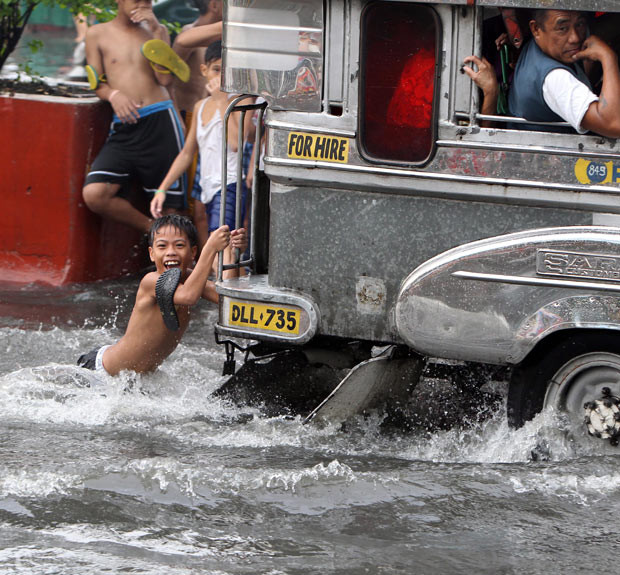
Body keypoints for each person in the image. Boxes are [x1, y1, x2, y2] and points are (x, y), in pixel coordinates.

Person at [77, 214, 246, 376]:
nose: (170, 252)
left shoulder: (189, 279)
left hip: (137, 379)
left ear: (193, 252)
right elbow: (188, 296)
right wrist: (210, 248)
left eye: (179, 245)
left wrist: (232, 253)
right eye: (162, 246)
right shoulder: (151, 281)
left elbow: (227, 300)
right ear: (151, 254)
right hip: (102, 373)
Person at [82, 0, 188, 234]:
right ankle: (154, 231)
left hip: (161, 120)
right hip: (125, 125)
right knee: (95, 194)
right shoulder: (96, 33)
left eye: (147, 1)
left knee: (172, 207)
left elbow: (166, 80)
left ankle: (176, 263)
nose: (142, 4)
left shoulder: (156, 31)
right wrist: (113, 94)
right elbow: (96, 83)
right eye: (136, 0)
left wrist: (156, 29)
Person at [151, 41, 250, 269]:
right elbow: (187, 153)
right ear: (204, 71)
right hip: (208, 186)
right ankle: (218, 288)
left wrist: (222, 100)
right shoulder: (200, 106)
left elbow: (236, 144)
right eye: (216, 70)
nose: (221, 78)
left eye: (227, 72)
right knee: (214, 244)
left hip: (230, 184)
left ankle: (222, 295)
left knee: (223, 246)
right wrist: (162, 189)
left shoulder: (239, 101)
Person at [508, 9, 620, 137]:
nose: (575, 38)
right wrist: (608, 57)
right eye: (562, 28)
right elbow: (613, 125)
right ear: (536, 29)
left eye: (580, 24)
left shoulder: (543, 48)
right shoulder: (555, 77)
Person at [171, 0, 224, 249]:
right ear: (215, 4)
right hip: (192, 120)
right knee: (197, 202)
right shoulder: (189, 35)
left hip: (221, 120)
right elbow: (165, 79)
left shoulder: (228, 40)